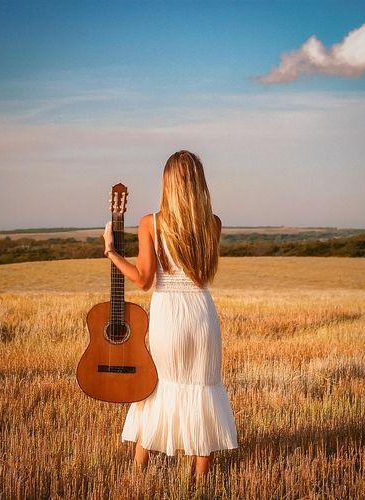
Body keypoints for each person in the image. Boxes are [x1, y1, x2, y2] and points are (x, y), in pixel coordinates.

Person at [102, 150, 238, 480]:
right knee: (203, 389)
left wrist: (110, 251)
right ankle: (200, 480)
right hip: (203, 315)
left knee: (156, 388)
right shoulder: (214, 223)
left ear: (168, 183)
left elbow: (144, 280)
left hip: (168, 316)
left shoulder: (151, 223)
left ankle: (139, 470)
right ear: (199, 183)